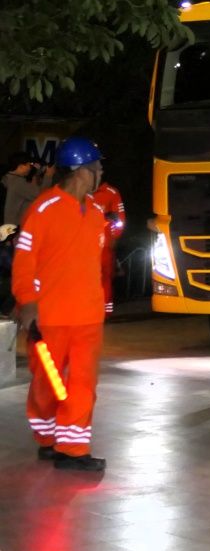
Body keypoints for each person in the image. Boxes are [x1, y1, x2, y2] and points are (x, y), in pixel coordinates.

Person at [9, 136, 112, 472]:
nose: (101, 173)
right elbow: (24, 261)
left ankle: (73, 448)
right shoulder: (44, 209)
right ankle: (48, 437)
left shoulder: (96, 212)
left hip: (87, 316)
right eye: (97, 168)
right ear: (81, 171)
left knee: (83, 384)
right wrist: (27, 302)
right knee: (47, 384)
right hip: (49, 316)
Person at [89, 181, 125, 315]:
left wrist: (114, 236)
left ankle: (105, 311)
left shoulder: (111, 192)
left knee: (105, 277)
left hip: (105, 244)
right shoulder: (80, 190)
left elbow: (120, 219)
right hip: (84, 245)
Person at [4, 153, 42, 228]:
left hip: (7, 226)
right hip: (13, 227)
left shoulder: (6, 178)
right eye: (29, 165)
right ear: (21, 166)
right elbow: (40, 196)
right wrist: (48, 176)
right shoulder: (18, 182)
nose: (30, 168)